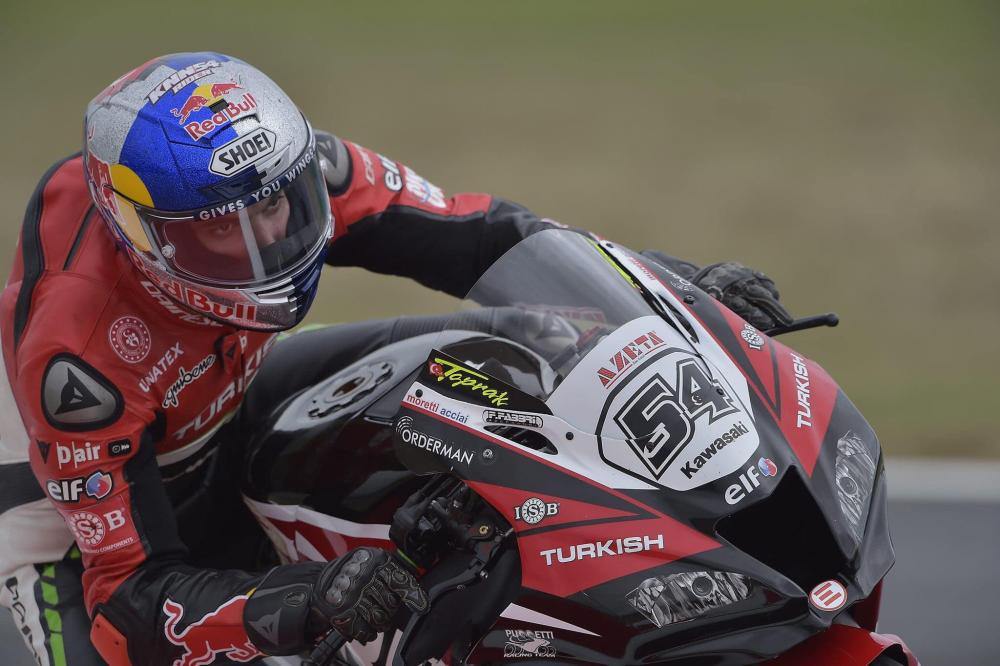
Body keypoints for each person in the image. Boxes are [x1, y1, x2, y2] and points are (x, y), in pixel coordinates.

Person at [0, 52, 791, 665]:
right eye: (219, 231)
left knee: (535, 342)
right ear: (141, 235)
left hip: (231, 395)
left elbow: (483, 236)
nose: (269, 242)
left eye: (273, 207)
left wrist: (659, 287)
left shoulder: (286, 166)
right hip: (70, 522)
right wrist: (307, 599)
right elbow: (131, 603)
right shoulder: (78, 359)